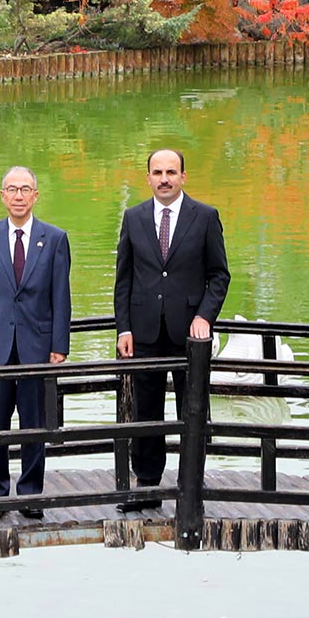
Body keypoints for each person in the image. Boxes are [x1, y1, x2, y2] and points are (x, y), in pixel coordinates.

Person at [112, 147, 229, 511]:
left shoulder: (205, 217)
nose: (164, 179)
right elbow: (124, 279)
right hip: (144, 330)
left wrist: (204, 317)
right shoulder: (133, 217)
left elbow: (219, 275)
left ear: (183, 177)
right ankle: (146, 485)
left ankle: (191, 484)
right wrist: (123, 328)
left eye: (171, 172)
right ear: (147, 177)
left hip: (188, 334)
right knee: (146, 409)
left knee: (191, 409)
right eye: (158, 172)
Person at [0, 166, 70, 518]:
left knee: (33, 423)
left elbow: (61, 296)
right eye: (12, 189)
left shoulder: (55, 238)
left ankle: (30, 494)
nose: (19, 196)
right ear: (2, 195)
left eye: (25, 189)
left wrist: (59, 345)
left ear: (36, 196)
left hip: (36, 346)